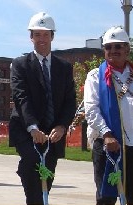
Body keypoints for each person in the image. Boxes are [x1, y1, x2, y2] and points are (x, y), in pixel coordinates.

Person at [9, 12, 76, 204]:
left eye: (46, 34)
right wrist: (33, 127)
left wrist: (62, 126)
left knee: (47, 175)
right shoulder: (20, 64)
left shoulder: (63, 67)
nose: (42, 39)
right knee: (31, 164)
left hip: (53, 133)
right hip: (26, 129)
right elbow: (21, 97)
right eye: (37, 34)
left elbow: (70, 101)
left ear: (52, 36)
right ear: (31, 37)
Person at [84, 26, 133, 205]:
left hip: (132, 145)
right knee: (107, 198)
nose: (113, 51)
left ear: (127, 49)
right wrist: (107, 134)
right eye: (108, 47)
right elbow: (91, 109)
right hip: (108, 145)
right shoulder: (95, 76)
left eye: (118, 46)